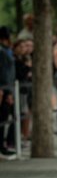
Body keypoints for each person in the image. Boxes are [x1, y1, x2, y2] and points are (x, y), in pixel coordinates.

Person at [0, 26, 16, 157]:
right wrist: (8, 92)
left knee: (6, 117)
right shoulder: (2, 52)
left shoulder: (6, 50)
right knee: (3, 117)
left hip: (7, 87)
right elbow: (4, 73)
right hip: (4, 89)